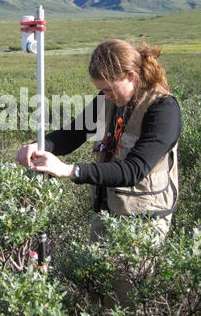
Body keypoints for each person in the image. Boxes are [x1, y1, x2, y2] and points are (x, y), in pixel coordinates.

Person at [16, 39, 182, 241]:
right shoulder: (109, 99)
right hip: (106, 214)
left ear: (131, 76)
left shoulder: (163, 109)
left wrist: (70, 170)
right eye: (102, 90)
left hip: (145, 221)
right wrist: (38, 145)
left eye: (110, 89)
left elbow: (134, 170)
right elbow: (73, 134)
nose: (106, 95)